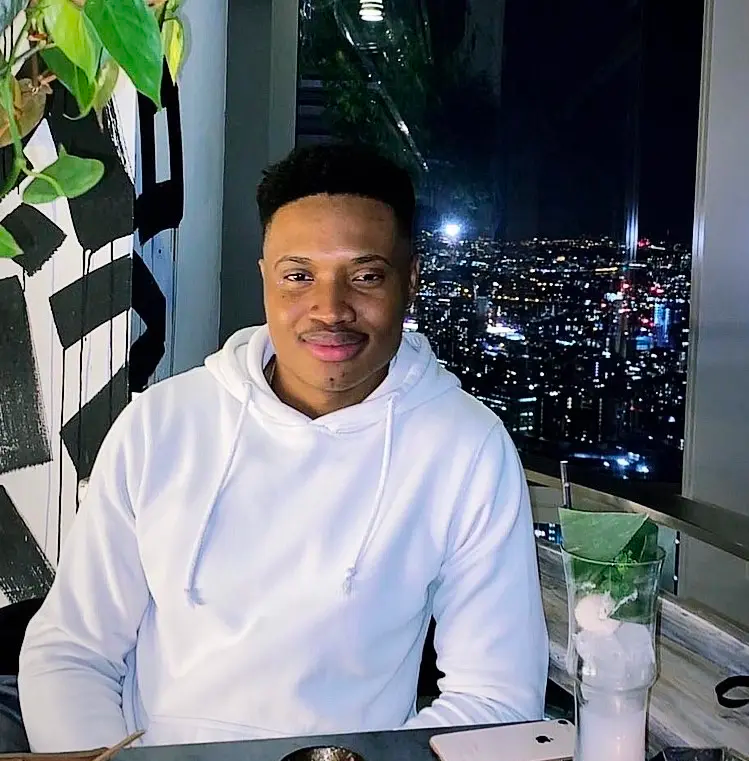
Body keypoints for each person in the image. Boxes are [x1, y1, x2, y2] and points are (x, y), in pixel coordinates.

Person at [18, 144, 548, 751]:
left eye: (366, 276)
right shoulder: (162, 424)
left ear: (410, 281)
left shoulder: (466, 448)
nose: (330, 309)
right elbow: (72, 650)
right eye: (299, 276)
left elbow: (497, 699)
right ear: (266, 278)